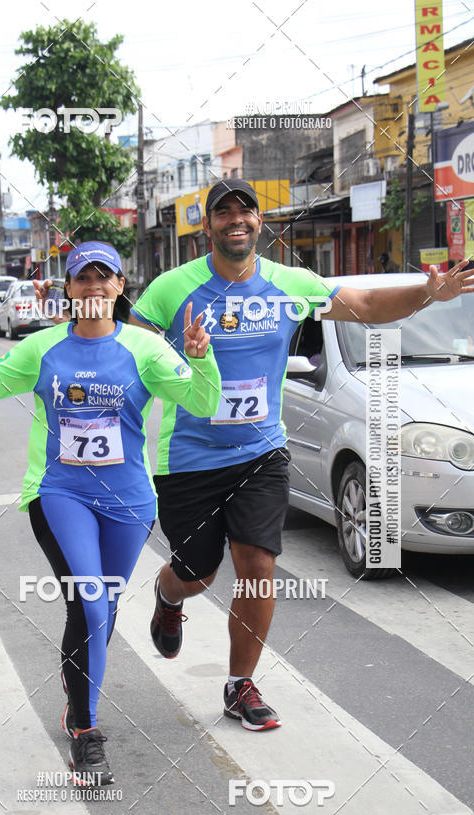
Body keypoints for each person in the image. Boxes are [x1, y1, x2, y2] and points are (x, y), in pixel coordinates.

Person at [129, 178, 474, 732]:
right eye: (223, 213)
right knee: (197, 573)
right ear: (208, 226)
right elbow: (131, 349)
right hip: (190, 456)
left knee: (258, 568)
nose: (235, 220)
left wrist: (428, 295)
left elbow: (363, 304)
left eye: (245, 211)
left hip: (260, 453)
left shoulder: (289, 284)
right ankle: (170, 595)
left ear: (259, 222)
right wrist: (175, 359)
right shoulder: (173, 289)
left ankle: (240, 684)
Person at [0, 241, 221, 785]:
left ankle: (76, 703)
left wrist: (200, 355)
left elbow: (204, 403)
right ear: (67, 290)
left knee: (97, 610)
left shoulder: (145, 348)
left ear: (121, 287)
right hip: (60, 493)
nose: (94, 287)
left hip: (129, 501)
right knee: (92, 606)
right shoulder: (43, 348)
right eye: (82, 279)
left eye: (105, 278)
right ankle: (87, 734)